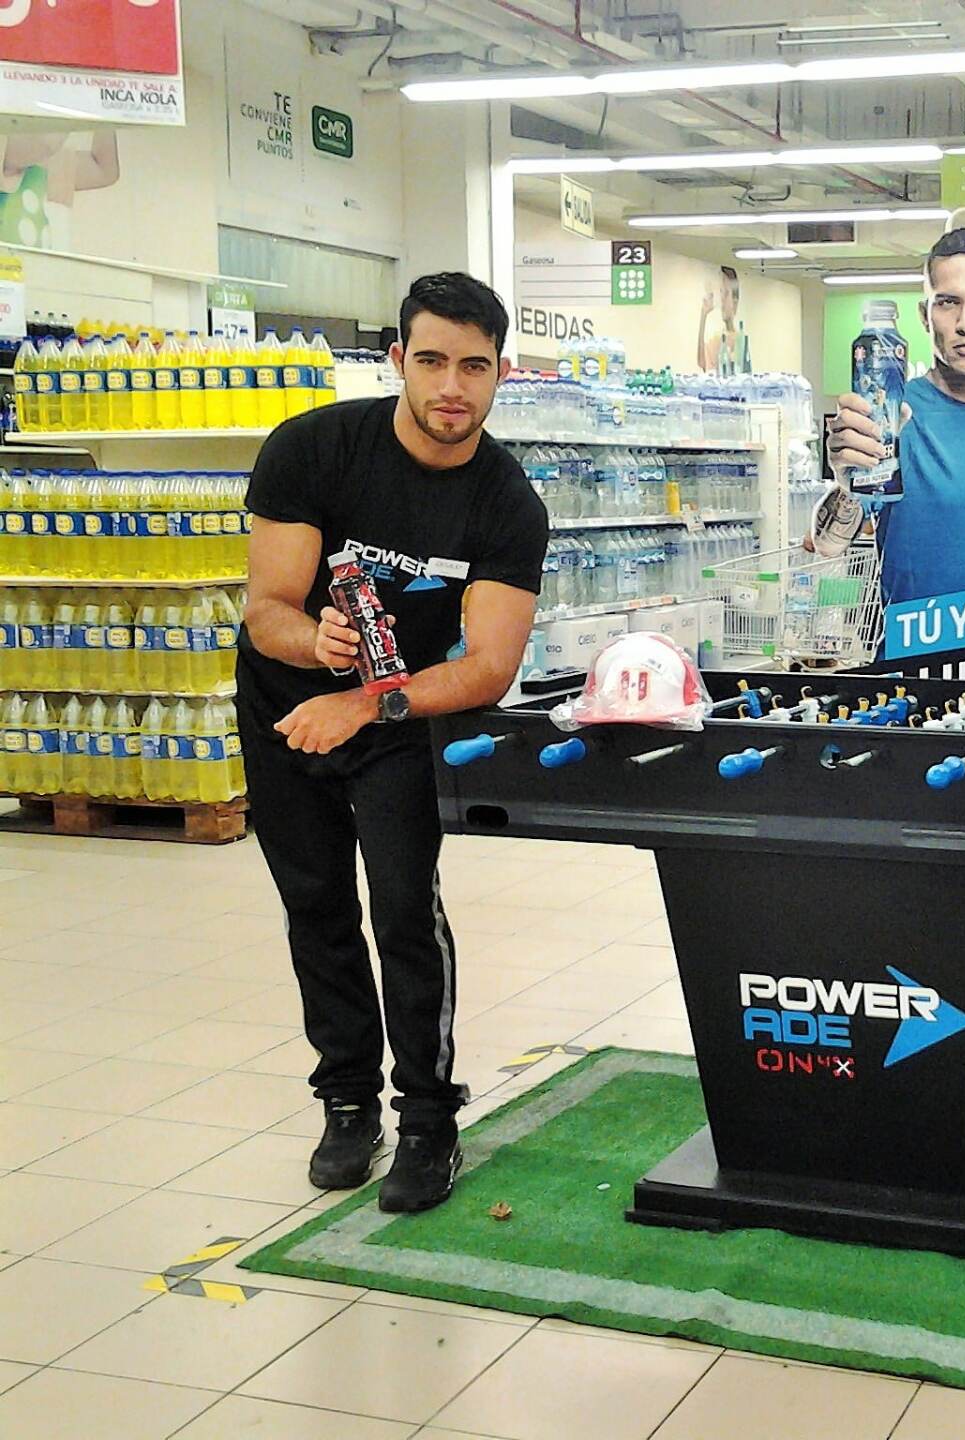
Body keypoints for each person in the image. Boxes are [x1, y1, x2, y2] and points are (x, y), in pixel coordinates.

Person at [238, 273, 548, 1213]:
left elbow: (489, 666)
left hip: (403, 715)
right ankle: (346, 1103)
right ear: (397, 362)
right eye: (431, 361)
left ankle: (428, 1119)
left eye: (474, 366)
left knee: (406, 909)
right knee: (318, 902)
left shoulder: (507, 503)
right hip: (288, 709)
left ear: (501, 375)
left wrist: (370, 704)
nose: (452, 385)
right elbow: (265, 611)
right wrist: (315, 644)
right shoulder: (314, 449)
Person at [825, 227, 965, 606]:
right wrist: (845, 481)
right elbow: (828, 544)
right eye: (948, 302)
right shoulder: (893, 420)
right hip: (915, 661)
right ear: (925, 315)